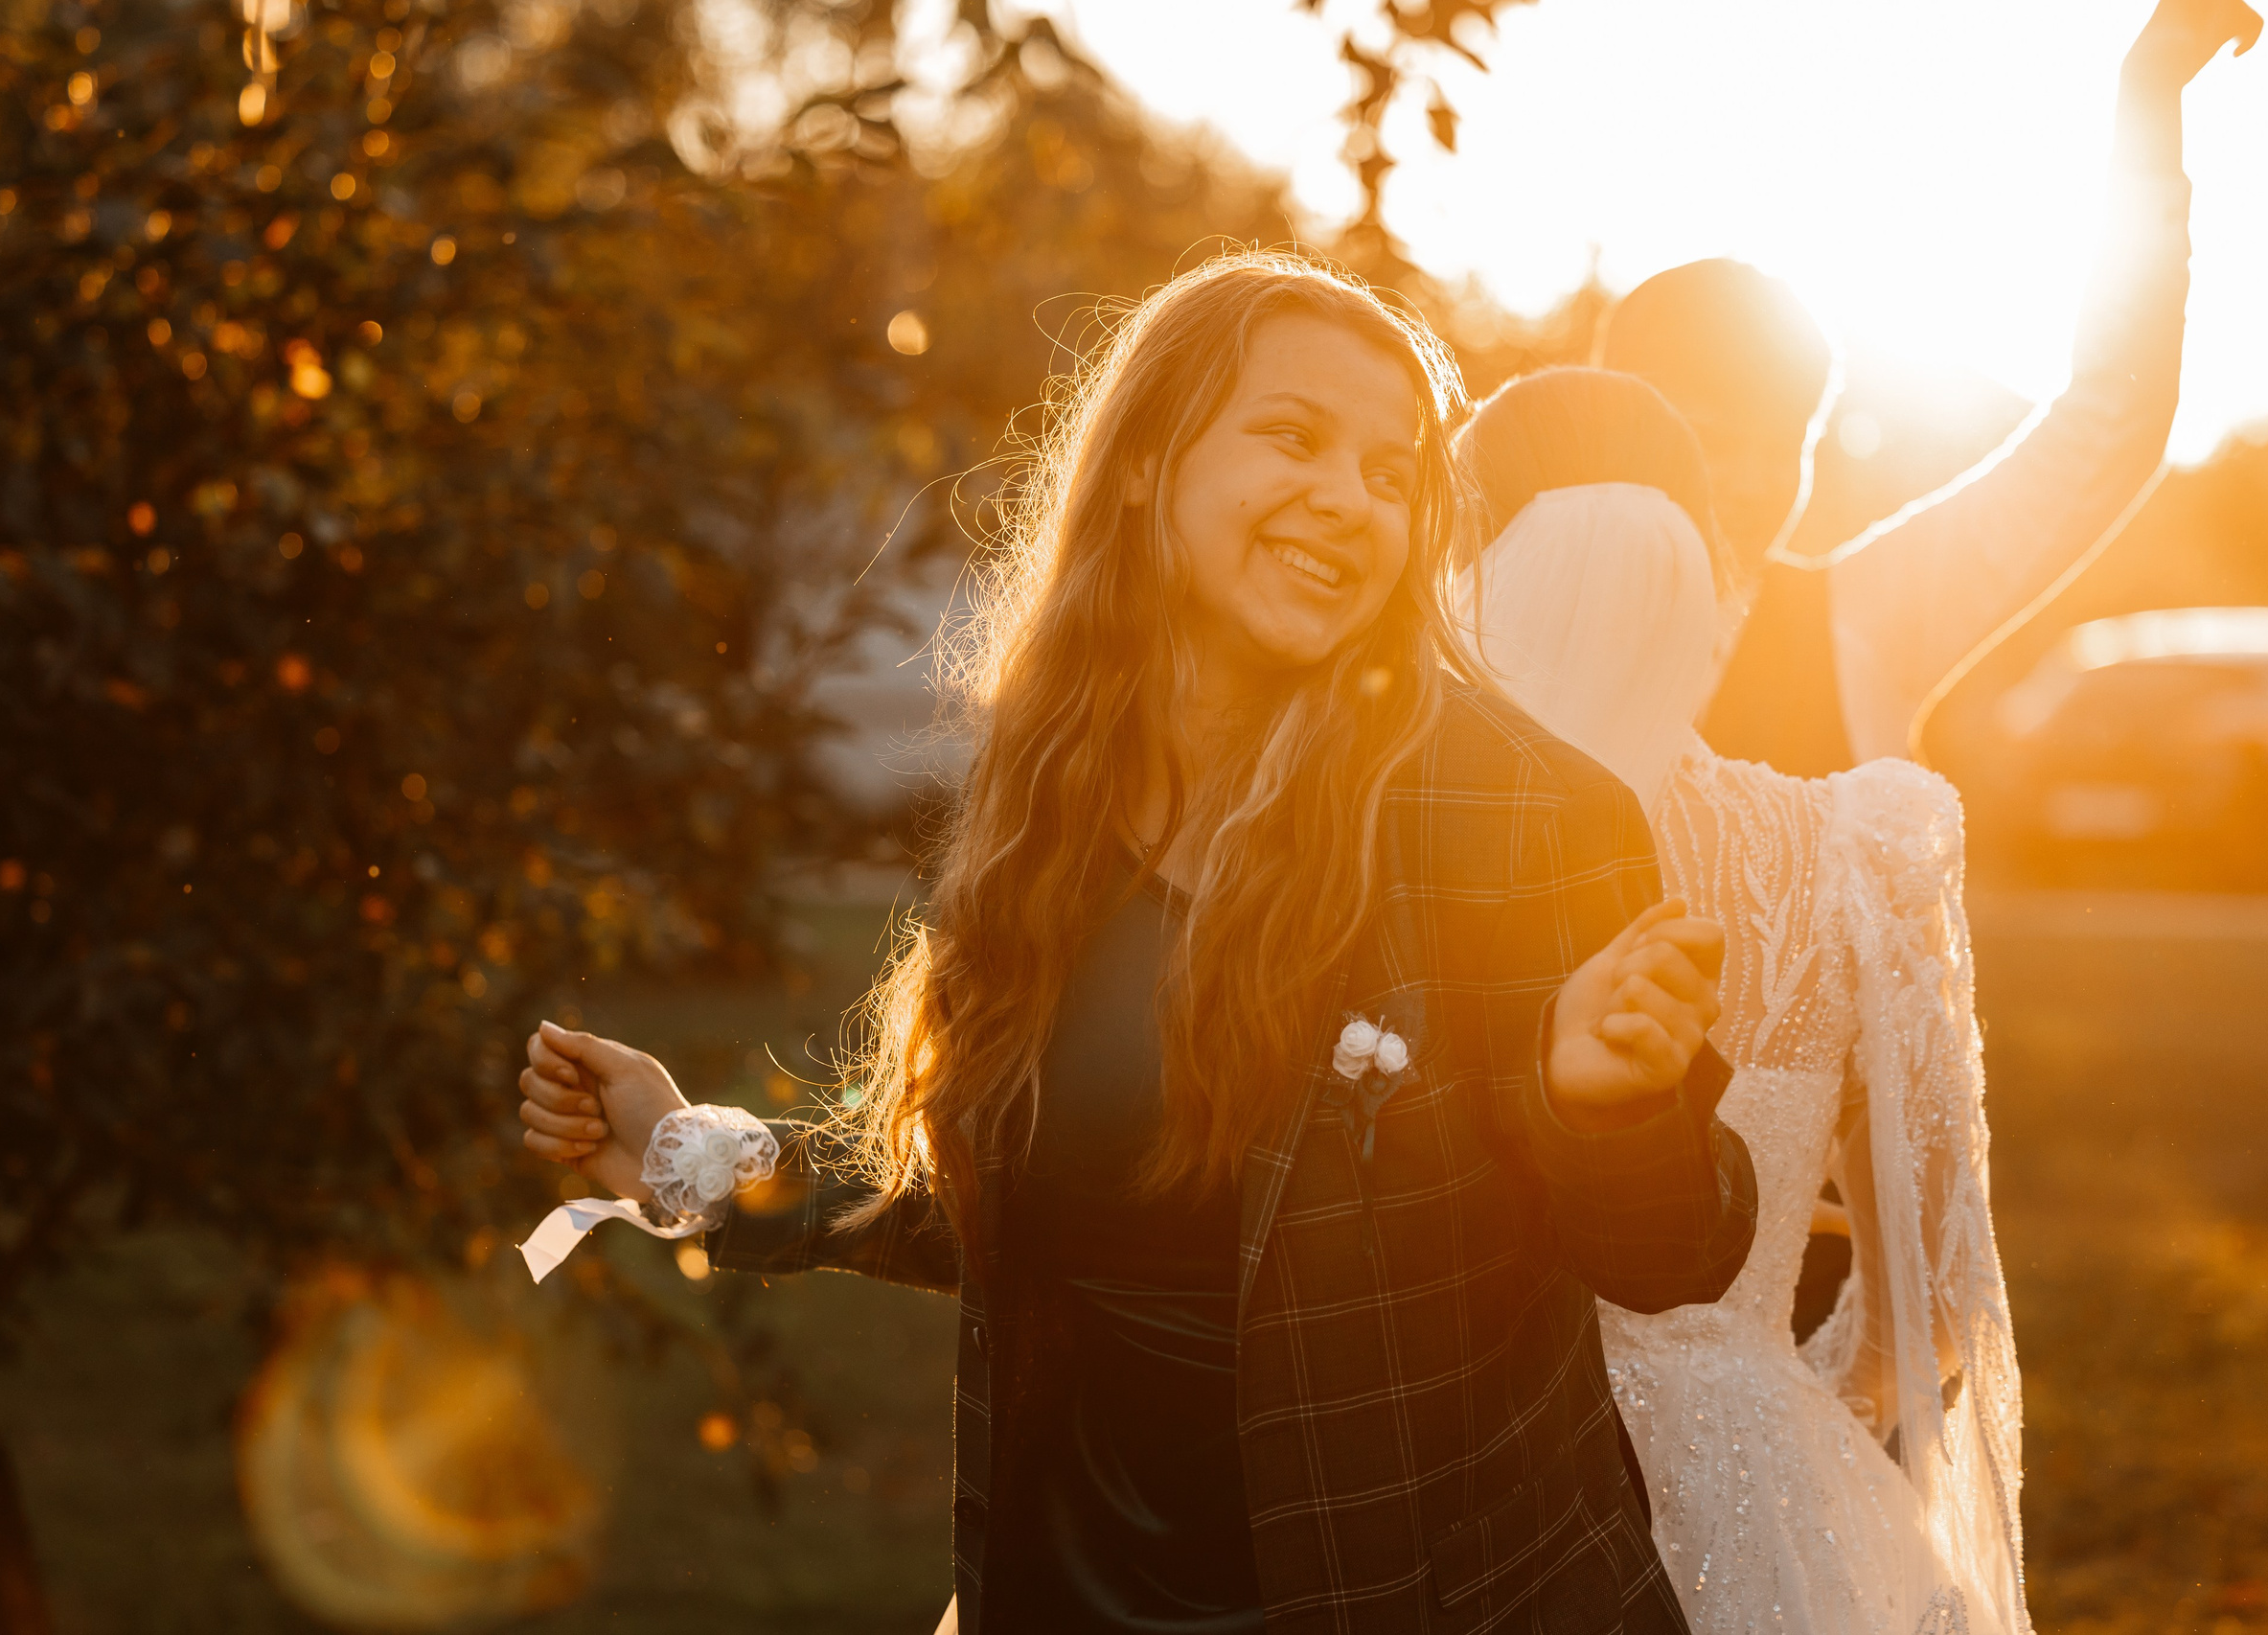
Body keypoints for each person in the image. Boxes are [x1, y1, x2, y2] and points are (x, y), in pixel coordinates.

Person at [516, 249, 1760, 1635]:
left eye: (1391, 471)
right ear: (1142, 465)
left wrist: (1610, 1109)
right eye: (1293, 439)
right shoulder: (1053, 801)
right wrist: (699, 1160)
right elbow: (1012, 1195)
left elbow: (1678, 1252)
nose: (1348, 500)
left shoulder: (1519, 806)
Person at [1458, 366, 2029, 1635]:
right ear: (1704, 577)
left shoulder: (1375, 853)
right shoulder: (1851, 853)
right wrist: (1759, 1402)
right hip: (1774, 1518)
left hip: (1451, 1494)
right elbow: (1935, 1310)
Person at [1596, 0, 2266, 776]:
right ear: (1613, 428)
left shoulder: (1863, 618)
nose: (1749, 484)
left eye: (1783, 446)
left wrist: (2147, 106)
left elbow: (2112, 420)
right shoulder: (1489, 631)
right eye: (1711, 439)